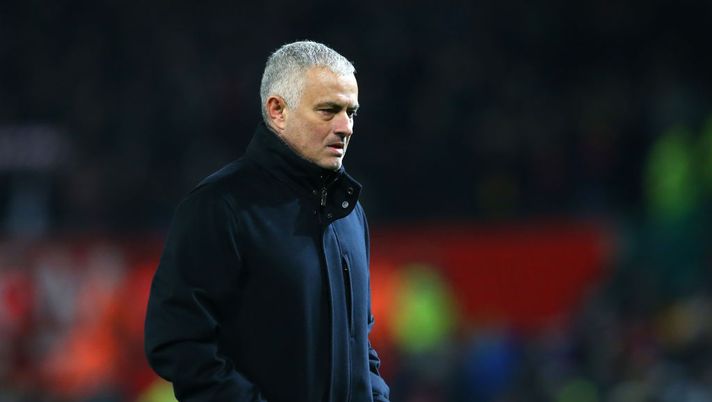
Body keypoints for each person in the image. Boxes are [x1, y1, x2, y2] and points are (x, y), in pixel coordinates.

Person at [144, 40, 390, 402]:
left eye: (350, 112)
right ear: (277, 110)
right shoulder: (219, 207)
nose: (346, 127)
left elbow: (359, 344)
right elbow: (179, 343)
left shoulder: (350, 213)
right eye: (328, 110)